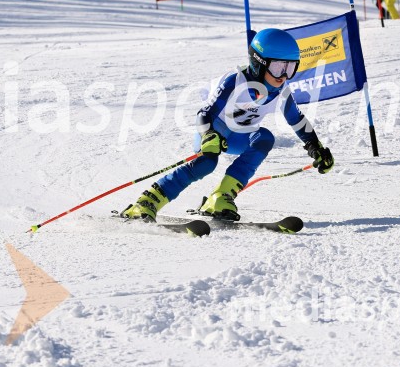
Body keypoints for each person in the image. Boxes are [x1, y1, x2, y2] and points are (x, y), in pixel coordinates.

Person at [120, 28, 335, 222]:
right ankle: (147, 202)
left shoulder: (282, 91)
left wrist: (316, 147)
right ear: (259, 62)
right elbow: (205, 113)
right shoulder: (235, 82)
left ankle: (220, 197)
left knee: (265, 138)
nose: (284, 76)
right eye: (279, 67)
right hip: (214, 131)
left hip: (241, 136)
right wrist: (208, 135)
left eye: (291, 67)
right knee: (207, 163)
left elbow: (296, 120)